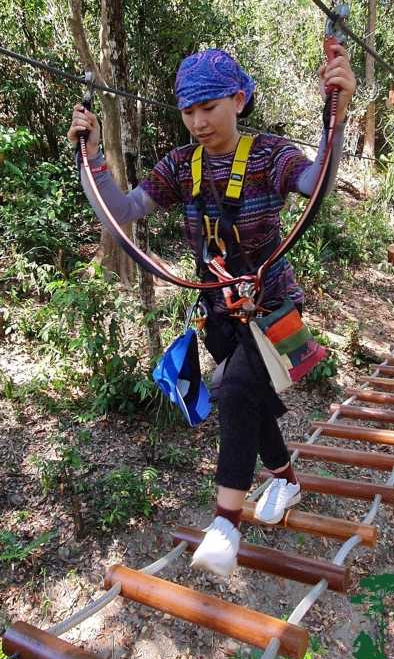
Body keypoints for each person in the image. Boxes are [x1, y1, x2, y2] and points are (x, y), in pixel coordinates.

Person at [68, 47, 356, 578]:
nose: (198, 122)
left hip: (272, 308)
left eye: (209, 107)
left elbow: (316, 183)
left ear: (238, 99)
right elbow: (122, 211)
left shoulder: (270, 155)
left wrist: (335, 112)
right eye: (188, 111)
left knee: (234, 390)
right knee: (247, 399)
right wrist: (91, 159)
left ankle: (226, 521)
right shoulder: (181, 165)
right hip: (218, 307)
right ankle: (286, 479)